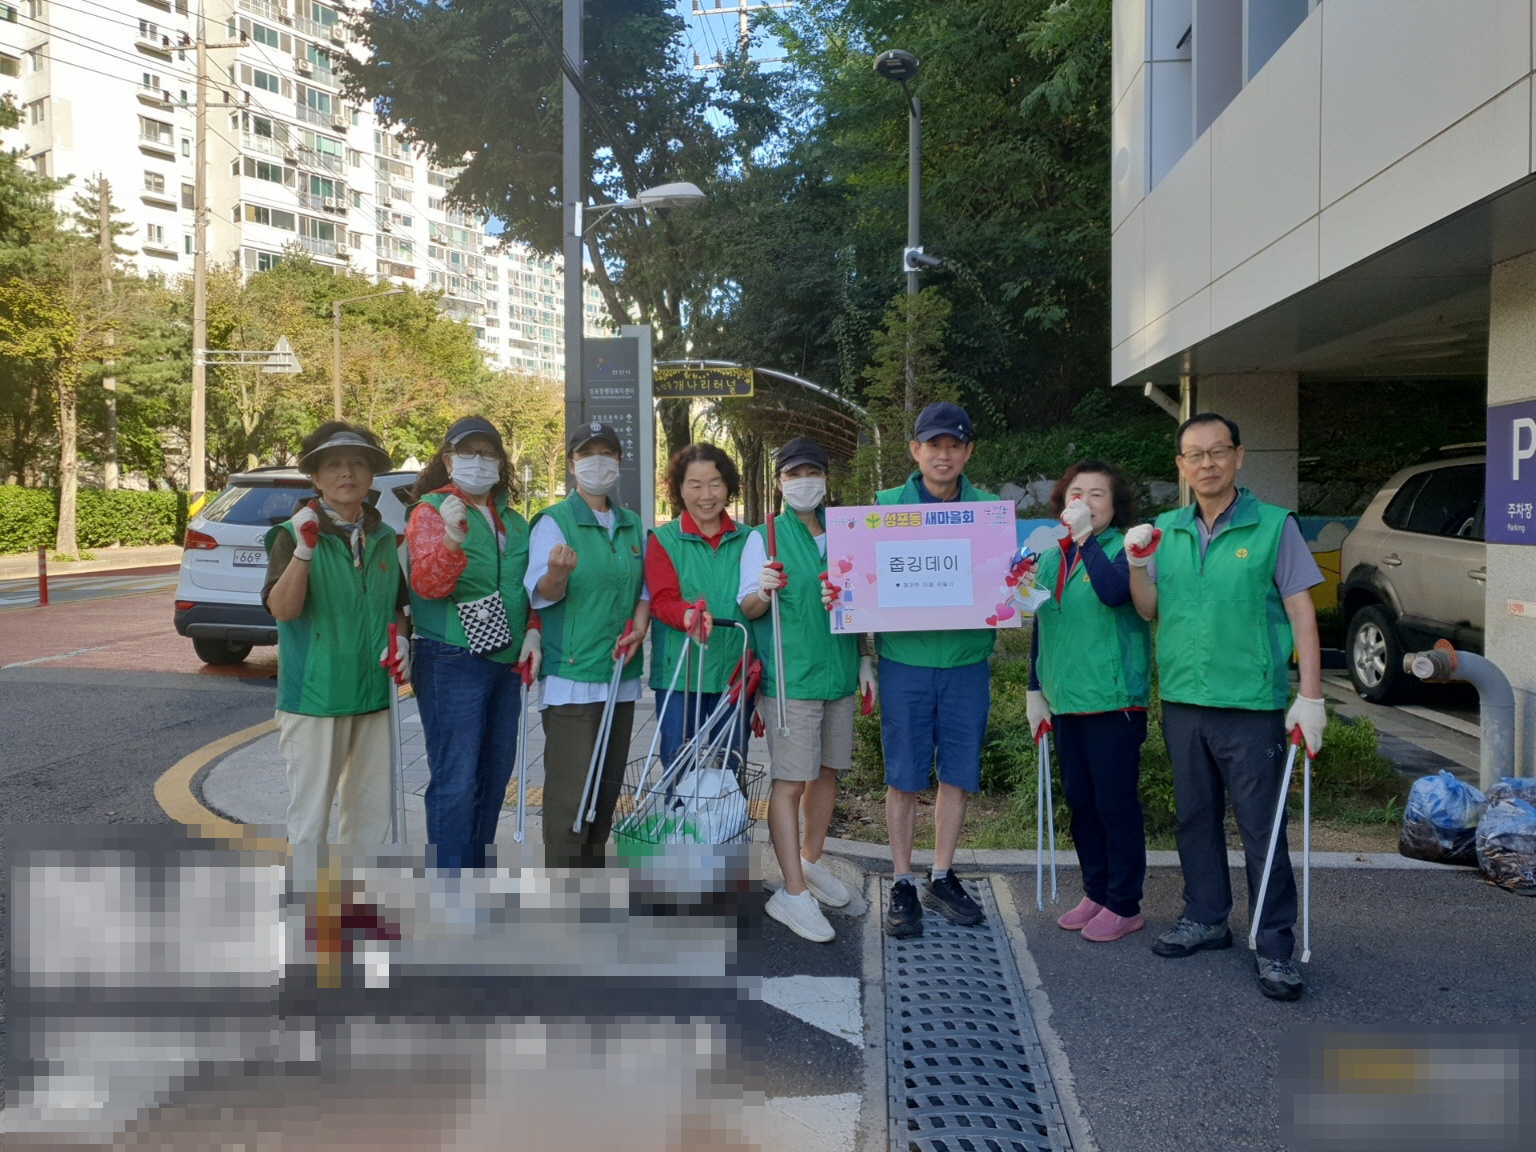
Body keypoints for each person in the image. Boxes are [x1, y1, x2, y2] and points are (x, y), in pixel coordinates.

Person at [1126, 411, 1325, 1002]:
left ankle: (1275, 944)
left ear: (1238, 457)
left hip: (1251, 702)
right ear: (1181, 465)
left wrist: (1309, 696)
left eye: (1217, 452)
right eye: (1194, 454)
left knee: (1261, 828)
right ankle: (1206, 917)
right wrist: (1138, 563)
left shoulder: (1272, 526)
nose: (1206, 464)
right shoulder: (1166, 529)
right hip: (1184, 697)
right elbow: (1147, 609)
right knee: (1194, 817)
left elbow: (1301, 613)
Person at [740, 437, 876, 943]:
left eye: (812, 473)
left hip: (839, 674)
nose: (804, 483)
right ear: (780, 483)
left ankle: (809, 860)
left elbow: (863, 599)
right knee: (790, 782)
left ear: (825, 480)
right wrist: (762, 588)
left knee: (828, 773)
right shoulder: (765, 537)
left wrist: (864, 657)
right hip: (790, 678)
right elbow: (749, 607)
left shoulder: (846, 535)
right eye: (794, 475)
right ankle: (791, 894)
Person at [878, 401, 997, 938]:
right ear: (915, 451)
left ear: (968, 452)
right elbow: (857, 583)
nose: (943, 454)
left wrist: (1016, 585)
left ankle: (942, 874)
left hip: (967, 662)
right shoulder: (882, 509)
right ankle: (903, 881)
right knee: (903, 775)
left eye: (954, 444)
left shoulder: (991, 513)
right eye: (933, 444)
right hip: (905, 661)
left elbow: (1006, 583)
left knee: (958, 772)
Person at [405, 415, 542, 870]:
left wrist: (534, 630)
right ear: (448, 460)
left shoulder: (515, 522)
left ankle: (474, 871)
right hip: (450, 658)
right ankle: (449, 884)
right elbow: (427, 584)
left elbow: (531, 585)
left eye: (488, 454)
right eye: (469, 453)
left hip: (504, 658)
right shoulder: (431, 510)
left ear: (501, 464)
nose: (479, 462)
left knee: (493, 772)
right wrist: (451, 538)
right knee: (456, 775)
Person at [262, 421, 409, 846]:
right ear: (315, 477)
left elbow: (395, 608)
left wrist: (400, 639)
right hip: (314, 698)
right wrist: (306, 551)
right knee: (309, 822)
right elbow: (283, 610)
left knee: (369, 820)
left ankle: (354, 907)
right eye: (334, 465)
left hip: (374, 697)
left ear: (371, 474)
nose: (347, 473)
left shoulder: (382, 536)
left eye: (358, 464)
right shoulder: (293, 535)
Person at [1028, 461, 1153, 943]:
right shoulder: (1052, 556)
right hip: (1065, 703)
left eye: (1097, 495)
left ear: (1115, 506)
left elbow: (1114, 592)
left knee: (1113, 804)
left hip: (1113, 702)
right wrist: (1034, 688)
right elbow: (1042, 621)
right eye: (1075, 492)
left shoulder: (1128, 547)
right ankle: (1096, 892)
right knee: (1081, 804)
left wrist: (1087, 539)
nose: (1084, 501)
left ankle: (1125, 902)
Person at [525, 422, 650, 868]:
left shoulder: (633, 524)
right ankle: (566, 897)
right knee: (570, 796)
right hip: (573, 677)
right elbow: (541, 592)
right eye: (587, 453)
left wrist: (639, 626)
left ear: (619, 461)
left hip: (620, 675)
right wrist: (557, 574)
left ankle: (590, 883)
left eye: (607, 453)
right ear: (573, 463)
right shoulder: (554, 522)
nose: (598, 461)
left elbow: (643, 589)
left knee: (606, 789)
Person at [645, 443, 751, 767]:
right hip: (681, 676)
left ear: (729, 486)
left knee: (730, 768)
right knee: (678, 767)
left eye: (715, 483)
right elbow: (661, 601)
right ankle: (678, 820)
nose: (706, 495)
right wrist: (687, 614)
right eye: (695, 485)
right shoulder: (663, 539)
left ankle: (727, 821)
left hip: (734, 673)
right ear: (679, 489)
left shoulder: (750, 539)